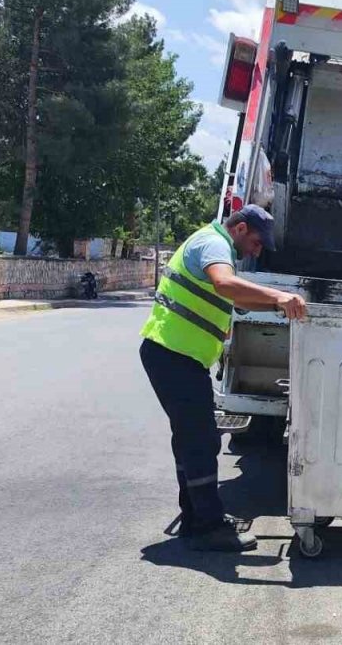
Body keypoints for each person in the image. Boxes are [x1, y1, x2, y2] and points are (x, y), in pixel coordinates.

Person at [139, 205, 308, 552]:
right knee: (200, 440)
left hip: (175, 356)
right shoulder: (214, 244)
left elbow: (235, 296)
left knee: (190, 439)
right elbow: (225, 284)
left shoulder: (213, 244)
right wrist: (279, 296)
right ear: (241, 228)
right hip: (174, 355)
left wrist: (278, 306)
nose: (257, 251)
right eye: (258, 242)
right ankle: (207, 526)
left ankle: (195, 519)